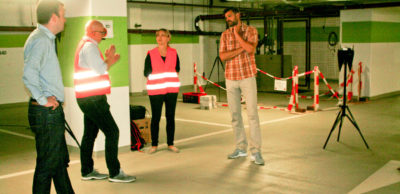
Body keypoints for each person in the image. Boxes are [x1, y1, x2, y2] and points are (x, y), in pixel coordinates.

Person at [22, 0, 75, 193]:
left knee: (58, 162)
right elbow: (28, 75)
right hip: (47, 114)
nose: (65, 18)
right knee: (47, 166)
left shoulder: (45, 39)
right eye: (63, 14)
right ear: (54, 18)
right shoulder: (41, 41)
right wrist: (44, 100)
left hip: (49, 113)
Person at [74, 20, 135, 183]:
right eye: (102, 32)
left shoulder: (85, 44)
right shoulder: (90, 47)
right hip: (93, 99)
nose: (104, 35)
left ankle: (87, 171)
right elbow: (100, 69)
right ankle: (115, 173)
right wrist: (110, 60)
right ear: (94, 33)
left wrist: (107, 59)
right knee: (112, 131)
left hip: (87, 97)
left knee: (89, 134)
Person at [219, 7, 265, 165]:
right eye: (226, 17)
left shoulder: (251, 31)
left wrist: (237, 35)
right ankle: (240, 148)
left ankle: (256, 151)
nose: (228, 19)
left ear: (238, 15)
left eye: (230, 16)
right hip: (231, 78)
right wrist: (241, 49)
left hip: (247, 77)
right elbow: (223, 56)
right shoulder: (224, 35)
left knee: (252, 114)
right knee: (235, 116)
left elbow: (251, 49)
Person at [144, 28, 180, 154]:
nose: (160, 38)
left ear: (168, 38)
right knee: (156, 118)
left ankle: (171, 144)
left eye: (163, 35)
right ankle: (154, 145)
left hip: (171, 90)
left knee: (170, 117)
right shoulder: (151, 53)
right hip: (156, 91)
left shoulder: (174, 52)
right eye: (157, 35)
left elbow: (177, 68)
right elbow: (146, 72)